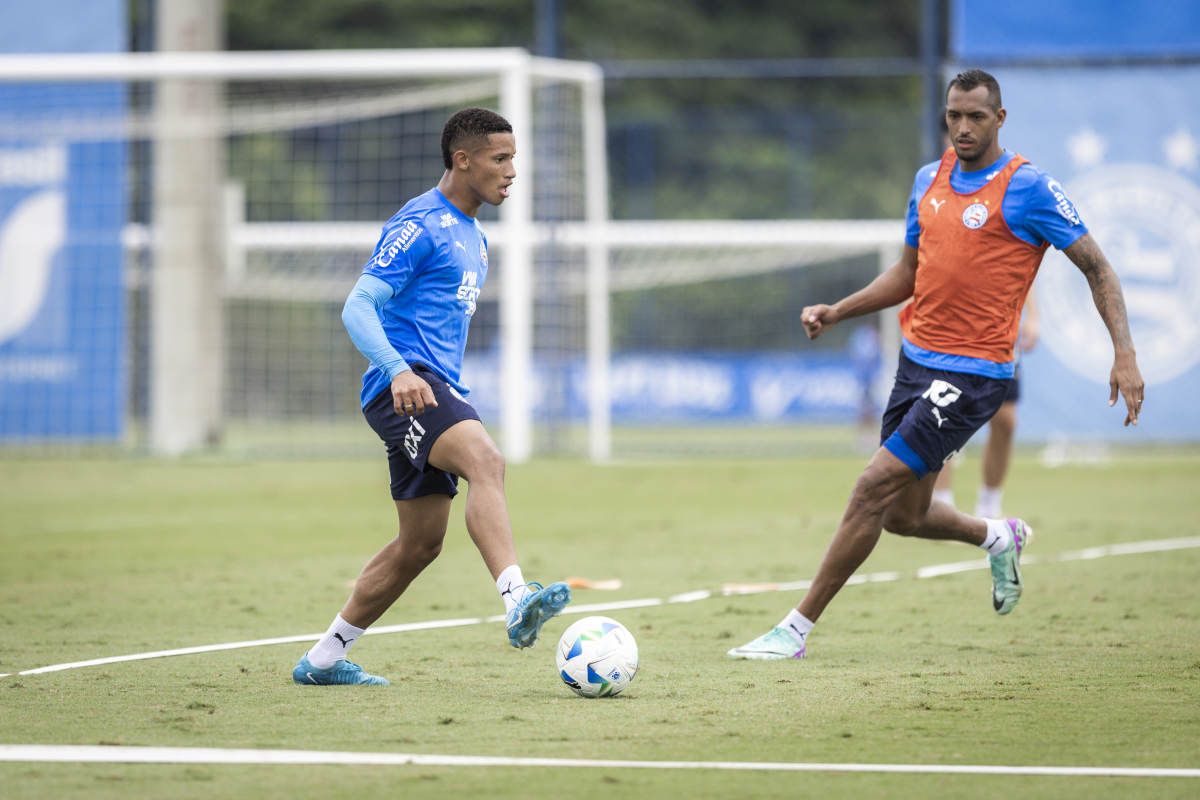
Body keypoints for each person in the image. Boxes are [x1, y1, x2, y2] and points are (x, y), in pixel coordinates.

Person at [728, 69, 1144, 661]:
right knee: (903, 515)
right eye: (954, 116)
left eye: (976, 116)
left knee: (871, 487)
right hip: (915, 362)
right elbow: (907, 275)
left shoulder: (1029, 188)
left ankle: (793, 630)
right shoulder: (929, 179)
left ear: (1000, 119)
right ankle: (997, 535)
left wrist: (1123, 354)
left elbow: (1098, 268)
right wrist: (838, 310)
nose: (964, 127)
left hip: (975, 375)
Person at [293, 108, 571, 686]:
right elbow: (357, 305)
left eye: (514, 158)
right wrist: (396, 370)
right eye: (501, 158)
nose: (512, 170)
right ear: (462, 159)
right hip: (403, 387)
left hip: (428, 388)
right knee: (486, 460)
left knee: (420, 545)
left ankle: (322, 659)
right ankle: (517, 597)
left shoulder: (476, 236)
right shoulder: (419, 224)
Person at [932, 288, 1038, 518]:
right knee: (944, 413)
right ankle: (941, 504)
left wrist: (1033, 315)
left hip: (999, 330)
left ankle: (989, 506)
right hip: (953, 326)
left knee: (1006, 421)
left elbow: (1025, 264)